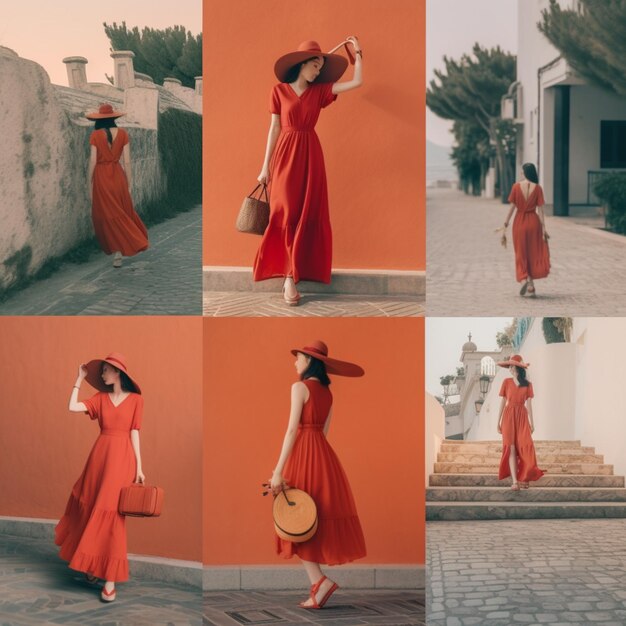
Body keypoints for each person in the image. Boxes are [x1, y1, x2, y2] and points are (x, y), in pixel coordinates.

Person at [253, 38, 363, 305]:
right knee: (285, 210)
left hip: (311, 155)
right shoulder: (278, 91)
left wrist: (357, 53)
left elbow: (357, 82)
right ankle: (288, 275)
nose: (318, 71)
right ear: (302, 65)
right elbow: (274, 129)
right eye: (315, 65)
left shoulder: (321, 91)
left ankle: (293, 276)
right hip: (285, 155)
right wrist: (264, 166)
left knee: (306, 212)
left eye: (320, 66)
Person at [270, 340, 366, 608]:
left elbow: (291, 430)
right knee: (310, 519)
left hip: (303, 455)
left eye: (298, 357)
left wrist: (278, 470)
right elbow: (324, 431)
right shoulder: (327, 393)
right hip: (323, 456)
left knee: (298, 520)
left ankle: (319, 582)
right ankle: (318, 583)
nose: (295, 362)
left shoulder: (299, 387)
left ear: (309, 361)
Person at [55, 353, 144, 602]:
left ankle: (110, 579)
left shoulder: (136, 400)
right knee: (92, 509)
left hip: (122, 459)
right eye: (102, 370)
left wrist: (139, 466)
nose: (102, 375)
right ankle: (92, 565)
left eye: (105, 370)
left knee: (113, 517)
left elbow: (135, 431)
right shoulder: (100, 398)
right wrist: (78, 379)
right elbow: (72, 407)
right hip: (99, 458)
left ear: (117, 373)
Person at [86, 104, 149, 268]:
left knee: (108, 215)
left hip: (102, 178)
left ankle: (118, 253)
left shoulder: (95, 135)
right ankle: (125, 247)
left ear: (99, 120)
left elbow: (93, 160)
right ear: (114, 118)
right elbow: (127, 161)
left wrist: (88, 181)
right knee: (121, 212)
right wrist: (129, 182)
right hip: (118, 176)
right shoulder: (123, 134)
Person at [496, 354, 544, 490]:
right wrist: (497, 421)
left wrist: (532, 423)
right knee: (510, 448)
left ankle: (525, 476)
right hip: (508, 416)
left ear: (517, 367)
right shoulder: (506, 382)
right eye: (509, 366)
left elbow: (529, 405)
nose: (510, 369)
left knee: (525, 446)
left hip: (522, 416)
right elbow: (503, 402)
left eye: (511, 366)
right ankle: (515, 481)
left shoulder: (528, 385)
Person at [503, 163, 550, 297]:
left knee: (521, 253)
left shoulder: (516, 187)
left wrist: (506, 221)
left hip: (519, 223)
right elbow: (540, 211)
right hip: (534, 223)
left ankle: (524, 278)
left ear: (525, 173)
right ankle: (531, 285)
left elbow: (512, 206)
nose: (521, 174)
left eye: (522, 171)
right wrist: (543, 229)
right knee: (531, 253)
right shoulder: (538, 188)